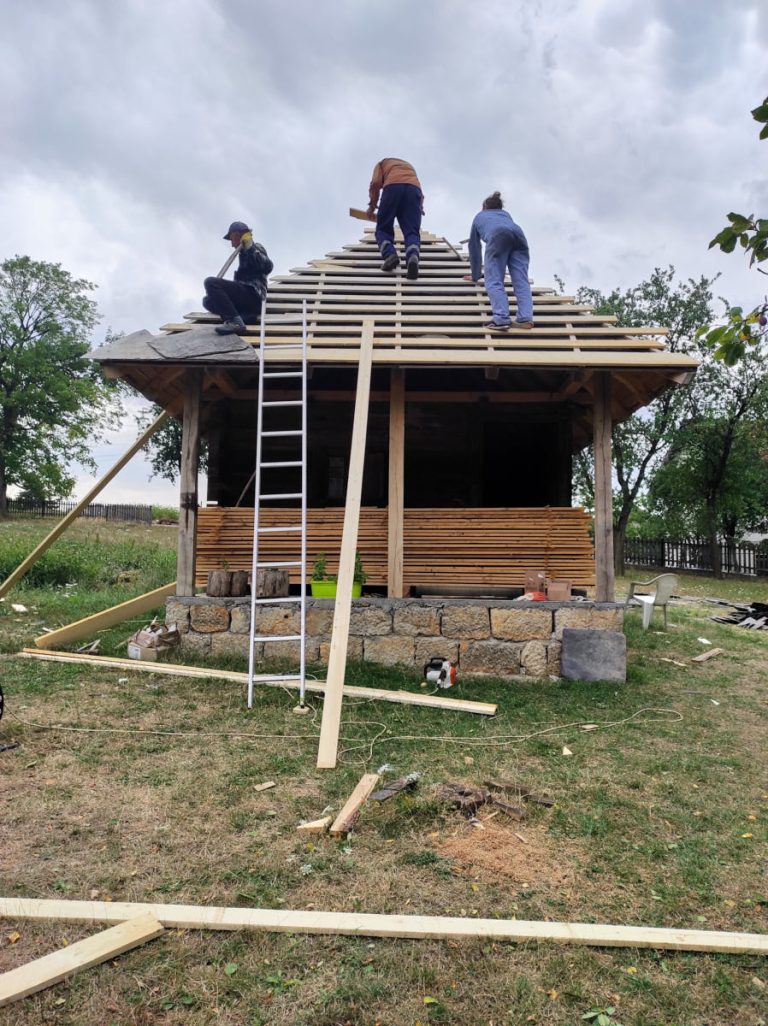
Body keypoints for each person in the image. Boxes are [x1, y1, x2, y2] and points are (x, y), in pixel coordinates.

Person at [464, 192, 533, 331]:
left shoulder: (479, 216)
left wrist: (476, 275)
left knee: (494, 279)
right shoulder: (506, 215)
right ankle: (526, 318)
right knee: (521, 280)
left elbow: (474, 248)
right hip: (519, 235)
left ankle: (501, 318)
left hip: (498, 234)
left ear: (484, 207)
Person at [203, 221, 274, 336]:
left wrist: (250, 247)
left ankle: (236, 323)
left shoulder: (255, 248)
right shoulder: (242, 253)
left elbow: (268, 267)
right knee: (208, 301)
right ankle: (244, 318)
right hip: (246, 301)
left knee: (210, 282)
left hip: (253, 295)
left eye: (232, 239)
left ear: (237, 235)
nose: (232, 244)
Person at [367, 157, 424, 279]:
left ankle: (390, 255)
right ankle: (413, 257)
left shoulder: (381, 164)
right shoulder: (409, 166)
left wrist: (372, 206)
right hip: (414, 190)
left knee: (383, 228)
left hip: (393, 187)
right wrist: (419, 207)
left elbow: (376, 183)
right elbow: (418, 191)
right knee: (412, 231)